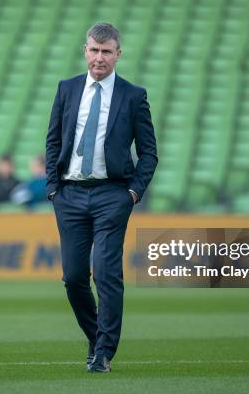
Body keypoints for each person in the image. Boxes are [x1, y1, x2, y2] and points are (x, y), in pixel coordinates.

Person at [45, 22, 158, 372]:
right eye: (94, 50)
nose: (99, 57)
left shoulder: (133, 95)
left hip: (113, 194)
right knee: (74, 277)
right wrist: (53, 188)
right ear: (85, 50)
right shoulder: (66, 89)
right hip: (70, 195)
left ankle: (103, 354)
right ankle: (97, 340)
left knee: (106, 274)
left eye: (106, 51)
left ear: (118, 55)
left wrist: (133, 192)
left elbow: (149, 153)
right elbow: (53, 141)